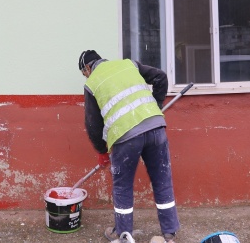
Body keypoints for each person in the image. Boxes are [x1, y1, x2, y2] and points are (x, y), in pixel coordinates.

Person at [77, 50, 180, 243]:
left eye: (84, 73)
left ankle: (122, 233)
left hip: (126, 136)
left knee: (123, 186)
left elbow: (93, 124)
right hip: (156, 127)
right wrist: (155, 106)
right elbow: (160, 77)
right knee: (162, 179)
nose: (86, 76)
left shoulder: (92, 84)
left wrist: (101, 151)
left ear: (88, 68)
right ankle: (170, 232)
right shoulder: (128, 64)